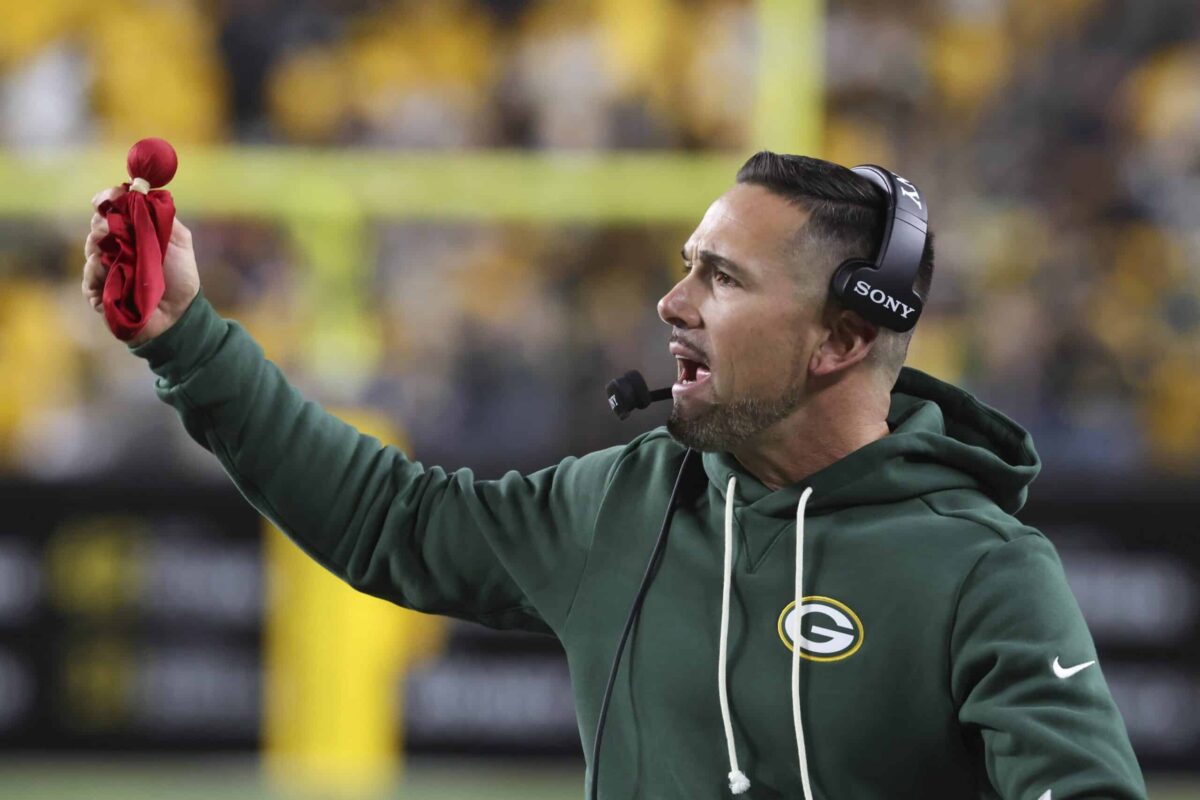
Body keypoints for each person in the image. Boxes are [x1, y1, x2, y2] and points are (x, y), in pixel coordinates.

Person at [82, 152, 1146, 799]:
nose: (672, 303)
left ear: (838, 338)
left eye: (719, 278)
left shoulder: (984, 572)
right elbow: (388, 519)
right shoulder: (628, 500)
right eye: (687, 264)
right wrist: (187, 336)